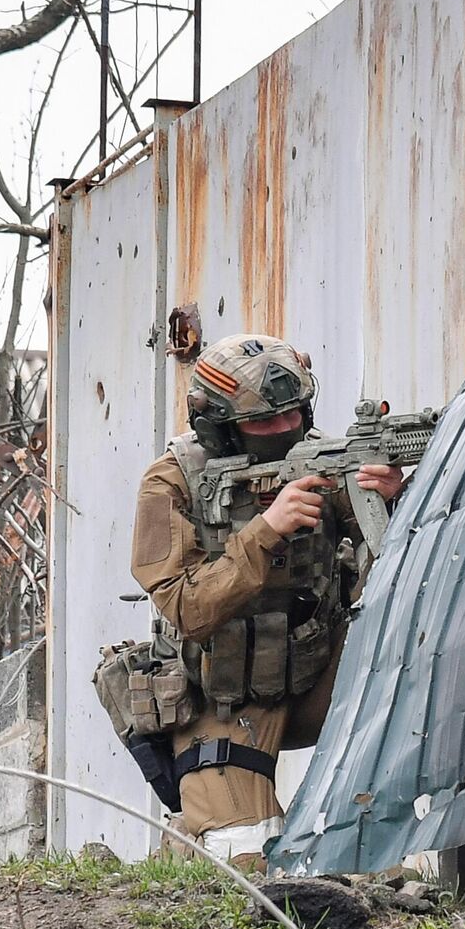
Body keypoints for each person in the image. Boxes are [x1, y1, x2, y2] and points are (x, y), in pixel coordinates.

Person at [126, 333, 403, 866]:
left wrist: (394, 497)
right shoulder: (172, 482)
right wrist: (265, 530)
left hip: (319, 677)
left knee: (380, 853)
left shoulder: (323, 458)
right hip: (221, 697)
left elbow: (401, 560)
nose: (283, 431)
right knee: (248, 858)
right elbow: (186, 606)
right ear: (219, 427)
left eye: (293, 416)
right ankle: (188, 841)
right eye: (263, 423)